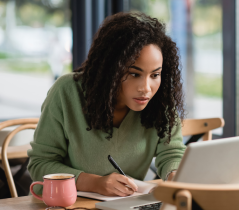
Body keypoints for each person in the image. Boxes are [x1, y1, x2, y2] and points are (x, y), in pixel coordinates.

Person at [27, 12, 186, 197]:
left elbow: (172, 153)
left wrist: (175, 176)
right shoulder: (67, 91)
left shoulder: (161, 100)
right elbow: (40, 164)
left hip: (127, 205)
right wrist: (95, 183)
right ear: (112, 69)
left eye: (155, 75)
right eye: (134, 74)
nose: (146, 88)